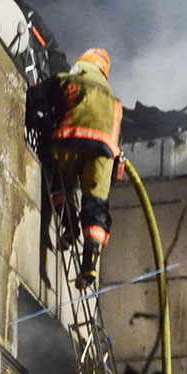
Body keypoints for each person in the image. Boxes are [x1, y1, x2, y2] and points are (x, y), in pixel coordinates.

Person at [33, 47, 122, 289]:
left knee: (59, 179)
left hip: (69, 142)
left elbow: (35, 96)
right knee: (96, 205)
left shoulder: (69, 81)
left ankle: (68, 221)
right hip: (103, 154)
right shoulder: (115, 104)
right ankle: (89, 264)